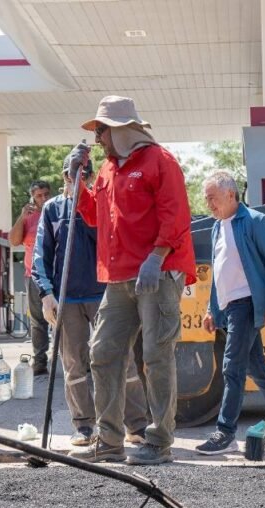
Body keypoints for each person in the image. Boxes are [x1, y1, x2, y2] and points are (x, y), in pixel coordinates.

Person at [67, 95, 196, 466]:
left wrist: (157, 256)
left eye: (102, 130)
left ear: (123, 129)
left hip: (157, 272)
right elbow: (95, 218)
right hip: (120, 277)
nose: (98, 139)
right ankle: (108, 441)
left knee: (156, 356)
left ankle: (159, 441)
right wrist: (75, 181)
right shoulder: (109, 170)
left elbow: (176, 213)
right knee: (103, 353)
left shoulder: (160, 161)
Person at [32, 156, 150, 447]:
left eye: (84, 173)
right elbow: (40, 257)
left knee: (123, 362)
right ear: (64, 175)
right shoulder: (52, 209)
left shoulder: (102, 203)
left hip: (104, 296)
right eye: (72, 174)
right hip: (66, 300)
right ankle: (83, 426)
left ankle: (136, 424)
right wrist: (46, 294)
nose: (77, 179)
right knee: (74, 366)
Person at [195, 170, 265, 454]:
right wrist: (211, 309)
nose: (209, 205)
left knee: (232, 368)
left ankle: (225, 432)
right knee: (256, 367)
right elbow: (220, 275)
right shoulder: (218, 226)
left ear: (231, 194)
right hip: (230, 307)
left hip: (247, 304)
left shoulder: (255, 221)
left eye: (212, 198)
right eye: (207, 200)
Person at [9, 179, 53, 374]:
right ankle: (40, 361)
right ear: (32, 198)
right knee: (38, 321)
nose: (43, 198)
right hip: (33, 275)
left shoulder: (57, 209)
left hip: (57, 274)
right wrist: (21, 216)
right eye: (38, 195)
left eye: (46, 194)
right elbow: (14, 240)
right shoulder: (28, 216)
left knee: (66, 318)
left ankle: (75, 359)